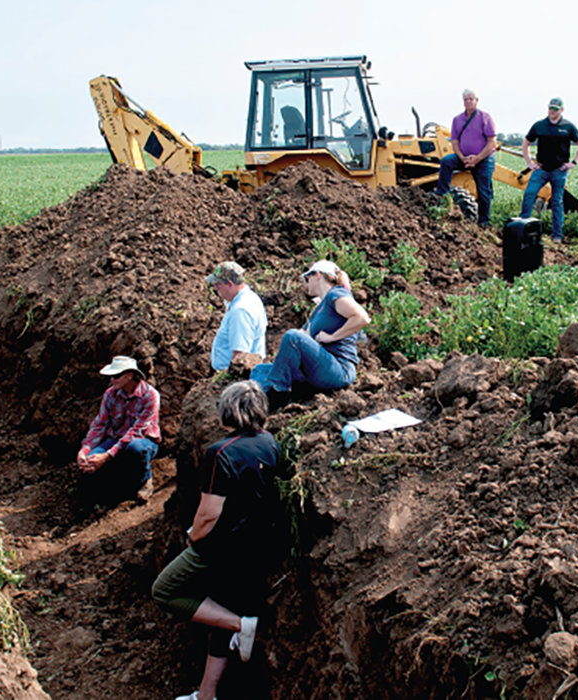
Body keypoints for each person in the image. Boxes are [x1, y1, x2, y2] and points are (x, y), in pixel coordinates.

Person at [153, 380, 287, 700]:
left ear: (227, 412)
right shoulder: (271, 443)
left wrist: (193, 537)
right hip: (259, 548)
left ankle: (242, 625)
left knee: (165, 590)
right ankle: (206, 695)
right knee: (219, 612)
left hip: (223, 549)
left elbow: (209, 514)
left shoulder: (220, 452)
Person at [250, 260, 370, 410]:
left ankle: (277, 395)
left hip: (340, 369)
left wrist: (332, 337)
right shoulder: (319, 309)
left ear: (318, 275)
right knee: (260, 370)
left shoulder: (336, 293)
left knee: (292, 337)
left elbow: (361, 318)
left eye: (307, 279)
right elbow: (303, 338)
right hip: (318, 370)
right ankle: (257, 404)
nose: (305, 285)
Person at [77, 356, 160, 503]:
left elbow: (137, 431)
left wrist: (108, 455)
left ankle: (144, 480)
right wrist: (85, 449)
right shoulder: (110, 394)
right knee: (90, 462)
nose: (112, 380)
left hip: (143, 441)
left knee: (136, 448)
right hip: (115, 439)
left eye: (116, 376)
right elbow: (99, 425)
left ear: (129, 376)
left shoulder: (150, 396)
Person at [520, 98, 578, 244]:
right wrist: (529, 163)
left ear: (561, 110)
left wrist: (573, 163)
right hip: (541, 169)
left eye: (555, 109)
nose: (552, 111)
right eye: (550, 108)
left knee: (557, 202)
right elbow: (526, 143)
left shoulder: (568, 127)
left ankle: (557, 236)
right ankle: (522, 229)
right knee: (529, 194)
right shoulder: (539, 125)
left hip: (559, 171)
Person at [435, 88, 498, 227]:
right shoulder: (457, 120)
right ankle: (442, 195)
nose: (468, 102)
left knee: (484, 191)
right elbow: (455, 142)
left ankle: (483, 222)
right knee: (446, 162)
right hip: (463, 157)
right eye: (466, 100)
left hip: (483, 159)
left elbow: (491, 142)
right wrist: (462, 158)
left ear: (477, 100)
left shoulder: (485, 118)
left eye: (471, 99)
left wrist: (477, 158)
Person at [205, 261, 267, 372]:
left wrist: (226, 379)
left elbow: (240, 355)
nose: (215, 288)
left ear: (230, 284)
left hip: (233, 376)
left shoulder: (240, 312)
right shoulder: (251, 298)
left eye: (218, 284)